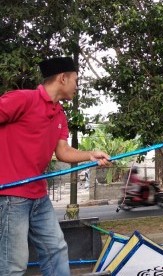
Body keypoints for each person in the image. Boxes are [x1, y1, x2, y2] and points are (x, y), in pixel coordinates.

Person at [0, 57, 111, 276]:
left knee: (56, 249)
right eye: (76, 80)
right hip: (11, 195)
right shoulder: (23, 99)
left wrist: (90, 154)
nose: (77, 86)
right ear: (63, 78)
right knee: (14, 264)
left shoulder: (59, 114)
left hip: (38, 195)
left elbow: (63, 151)